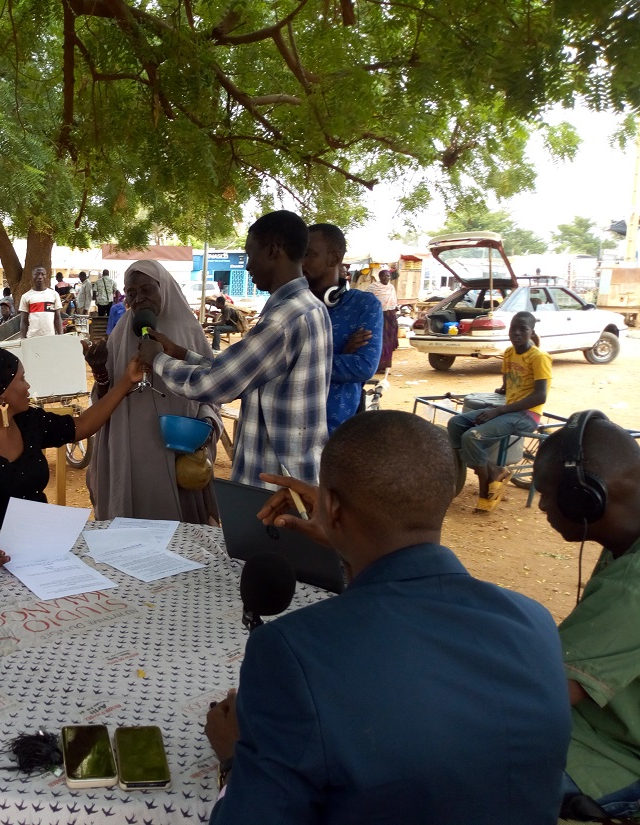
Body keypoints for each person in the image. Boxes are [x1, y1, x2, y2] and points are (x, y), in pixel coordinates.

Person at [202, 410, 571, 824]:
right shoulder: (534, 623)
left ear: (331, 507)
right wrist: (347, 539)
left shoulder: (291, 652)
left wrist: (235, 757)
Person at [137, 210, 331, 487]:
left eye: (250, 255)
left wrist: (157, 359)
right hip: (296, 471)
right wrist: (181, 354)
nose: (248, 266)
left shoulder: (283, 320)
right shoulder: (310, 307)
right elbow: (242, 371)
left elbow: (216, 384)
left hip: (276, 482)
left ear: (273, 251)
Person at [0, 346, 143, 572]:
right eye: (21, 379)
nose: (28, 386)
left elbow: (83, 425)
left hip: (44, 548)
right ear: (0, 391)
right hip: (1, 558)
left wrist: (127, 380)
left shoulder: (28, 422)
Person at [530, 413, 640, 819]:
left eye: (546, 493)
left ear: (585, 498)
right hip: (608, 723)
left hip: (621, 755)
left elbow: (543, 692)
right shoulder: (626, 541)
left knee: (475, 763)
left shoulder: (633, 587)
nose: (540, 504)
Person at [84, 259, 222, 524]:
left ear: (164, 288)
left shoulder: (189, 332)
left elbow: (213, 388)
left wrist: (205, 426)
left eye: (147, 290)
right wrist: (100, 371)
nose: (139, 300)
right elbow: (104, 398)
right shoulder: (121, 334)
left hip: (178, 447)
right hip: (131, 448)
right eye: (132, 293)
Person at [447, 311, 550, 513]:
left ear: (532, 332)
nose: (517, 333)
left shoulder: (539, 357)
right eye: (514, 328)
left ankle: (485, 491)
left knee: (472, 437)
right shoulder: (510, 352)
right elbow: (507, 385)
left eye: (523, 329)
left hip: (527, 414)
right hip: (508, 409)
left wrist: (499, 411)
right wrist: (501, 395)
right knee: (456, 423)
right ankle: (493, 470)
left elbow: (540, 396)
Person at [302, 223, 383, 433]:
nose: (301, 262)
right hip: (288, 430)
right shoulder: (293, 305)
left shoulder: (364, 305)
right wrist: (342, 354)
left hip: (337, 432)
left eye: (309, 254)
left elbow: (364, 366)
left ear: (334, 258)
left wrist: (299, 363)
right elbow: (276, 359)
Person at [366, 268, 398, 371]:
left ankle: (385, 365)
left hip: (390, 316)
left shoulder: (391, 288)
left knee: (389, 340)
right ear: (379, 277)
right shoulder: (373, 287)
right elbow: (366, 298)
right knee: (379, 339)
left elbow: (393, 302)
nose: (386, 278)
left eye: (388, 276)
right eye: (384, 276)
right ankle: (377, 366)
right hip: (378, 315)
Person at [18, 266, 62, 338]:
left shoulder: (54, 295)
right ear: (32, 277)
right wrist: (23, 339)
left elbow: (57, 318)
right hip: (32, 338)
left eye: (42, 274)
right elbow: (24, 321)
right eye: (37, 274)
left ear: (46, 276)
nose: (40, 277)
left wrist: (61, 336)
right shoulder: (26, 296)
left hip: (50, 337)